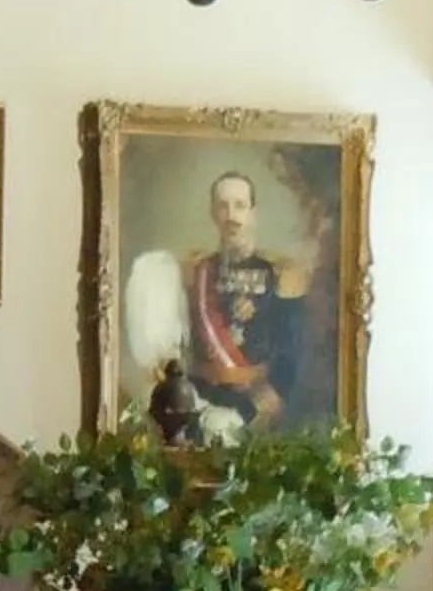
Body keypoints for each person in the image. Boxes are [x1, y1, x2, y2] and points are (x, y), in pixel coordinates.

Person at [123, 170, 311, 432]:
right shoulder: (193, 272)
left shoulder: (281, 273)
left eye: (240, 206)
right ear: (213, 212)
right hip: (200, 399)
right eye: (223, 206)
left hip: (255, 401)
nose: (232, 216)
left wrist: (270, 400)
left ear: (253, 213)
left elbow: (291, 348)